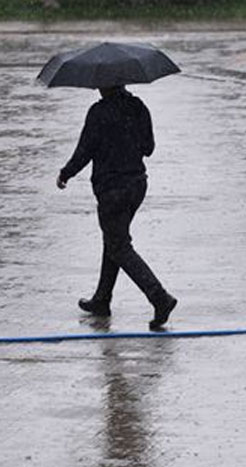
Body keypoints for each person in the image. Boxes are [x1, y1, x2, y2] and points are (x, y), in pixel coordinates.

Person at [57, 86, 178, 330]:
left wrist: (65, 173)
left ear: (104, 85)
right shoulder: (138, 107)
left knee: (119, 246)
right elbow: (149, 148)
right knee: (114, 239)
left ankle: (160, 297)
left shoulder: (98, 112)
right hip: (136, 185)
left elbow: (85, 151)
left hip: (112, 190)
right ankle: (102, 299)